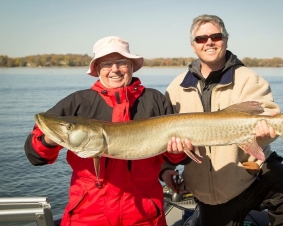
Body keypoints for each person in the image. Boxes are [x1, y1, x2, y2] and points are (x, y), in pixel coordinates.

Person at [24, 36, 190, 226]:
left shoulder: (154, 100)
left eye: (121, 62)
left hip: (144, 216)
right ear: (97, 70)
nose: (114, 69)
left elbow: (174, 157)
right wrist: (49, 140)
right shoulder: (77, 102)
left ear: (131, 66)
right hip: (87, 217)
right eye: (106, 64)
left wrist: (177, 153)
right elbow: (34, 155)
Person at [161, 14, 283, 226]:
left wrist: (266, 133)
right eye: (201, 39)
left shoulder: (249, 78)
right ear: (193, 46)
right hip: (208, 190)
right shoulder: (176, 87)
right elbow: (164, 133)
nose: (209, 42)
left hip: (249, 174)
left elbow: (266, 113)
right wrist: (166, 167)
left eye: (216, 36)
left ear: (226, 39)